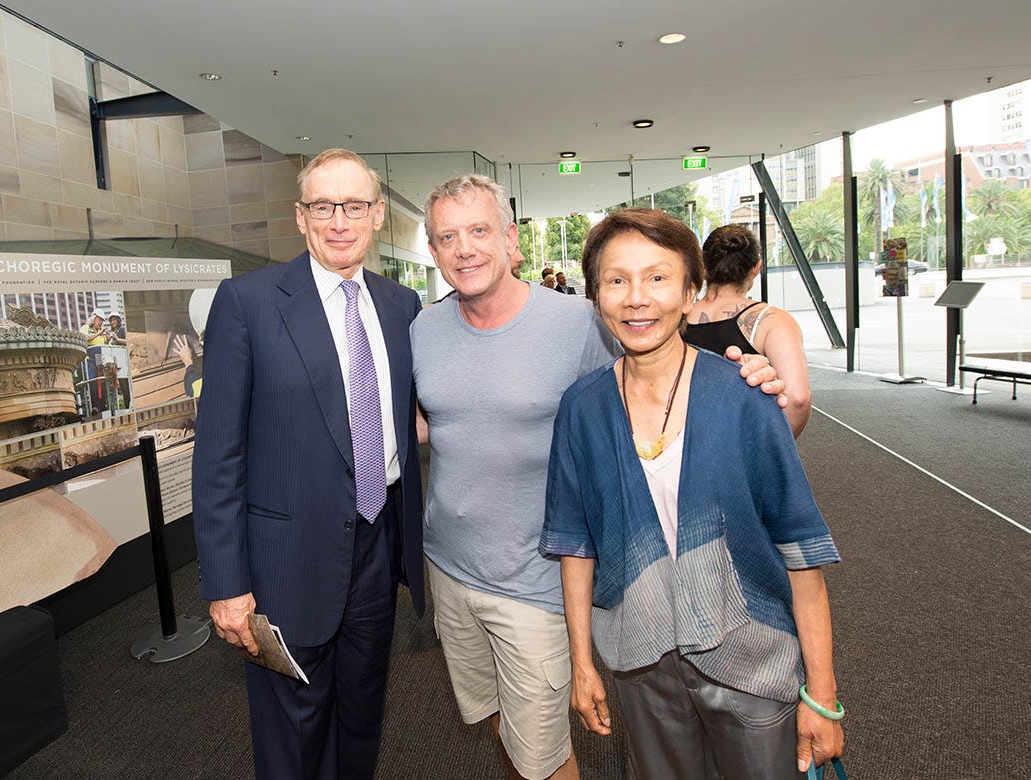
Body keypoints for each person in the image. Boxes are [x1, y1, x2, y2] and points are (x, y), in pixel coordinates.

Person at [411, 176, 785, 780]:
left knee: (543, 755)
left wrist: (747, 376)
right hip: (449, 568)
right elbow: (433, 423)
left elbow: (660, 373)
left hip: (539, 577)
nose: (465, 248)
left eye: (479, 231)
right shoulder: (424, 329)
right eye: (447, 237)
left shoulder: (578, 321)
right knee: (499, 724)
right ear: (432, 251)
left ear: (511, 239)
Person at [540, 208, 844, 779]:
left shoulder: (746, 398)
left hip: (750, 654)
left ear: (690, 288)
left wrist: (821, 695)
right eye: (616, 280)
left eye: (657, 277)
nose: (637, 299)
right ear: (596, 295)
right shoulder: (581, 410)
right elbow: (574, 543)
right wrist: (582, 661)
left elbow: (801, 554)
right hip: (640, 660)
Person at [192, 149, 424, 780]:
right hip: (282, 563)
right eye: (324, 206)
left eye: (353, 206)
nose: (339, 221)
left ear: (377, 215)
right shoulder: (248, 302)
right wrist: (226, 583)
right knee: (292, 732)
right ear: (301, 217)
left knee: (361, 716)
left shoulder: (402, 306)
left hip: (378, 546)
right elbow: (218, 454)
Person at [684, 224, 811, 436]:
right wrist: (769, 452)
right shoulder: (773, 321)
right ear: (756, 267)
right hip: (740, 441)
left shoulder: (675, 317)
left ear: (703, 266)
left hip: (683, 444)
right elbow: (797, 399)